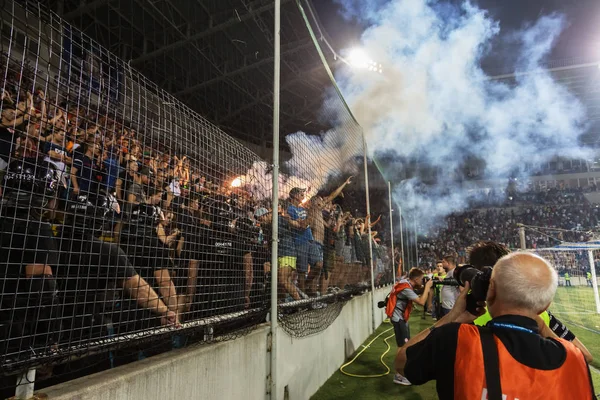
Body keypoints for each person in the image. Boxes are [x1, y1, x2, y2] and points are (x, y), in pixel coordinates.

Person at [395, 253, 596, 400]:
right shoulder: (574, 359)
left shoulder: (455, 338)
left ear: (490, 292)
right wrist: (542, 324)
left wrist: (453, 317)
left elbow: (402, 363)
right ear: (545, 305)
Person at [386, 268, 434, 386]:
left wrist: (424, 287)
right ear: (416, 279)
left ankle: (401, 373)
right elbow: (421, 302)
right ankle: (399, 375)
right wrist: (428, 287)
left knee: (404, 345)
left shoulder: (404, 282)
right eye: (422, 279)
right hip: (399, 319)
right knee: (402, 347)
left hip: (400, 318)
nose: (423, 281)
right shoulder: (406, 288)